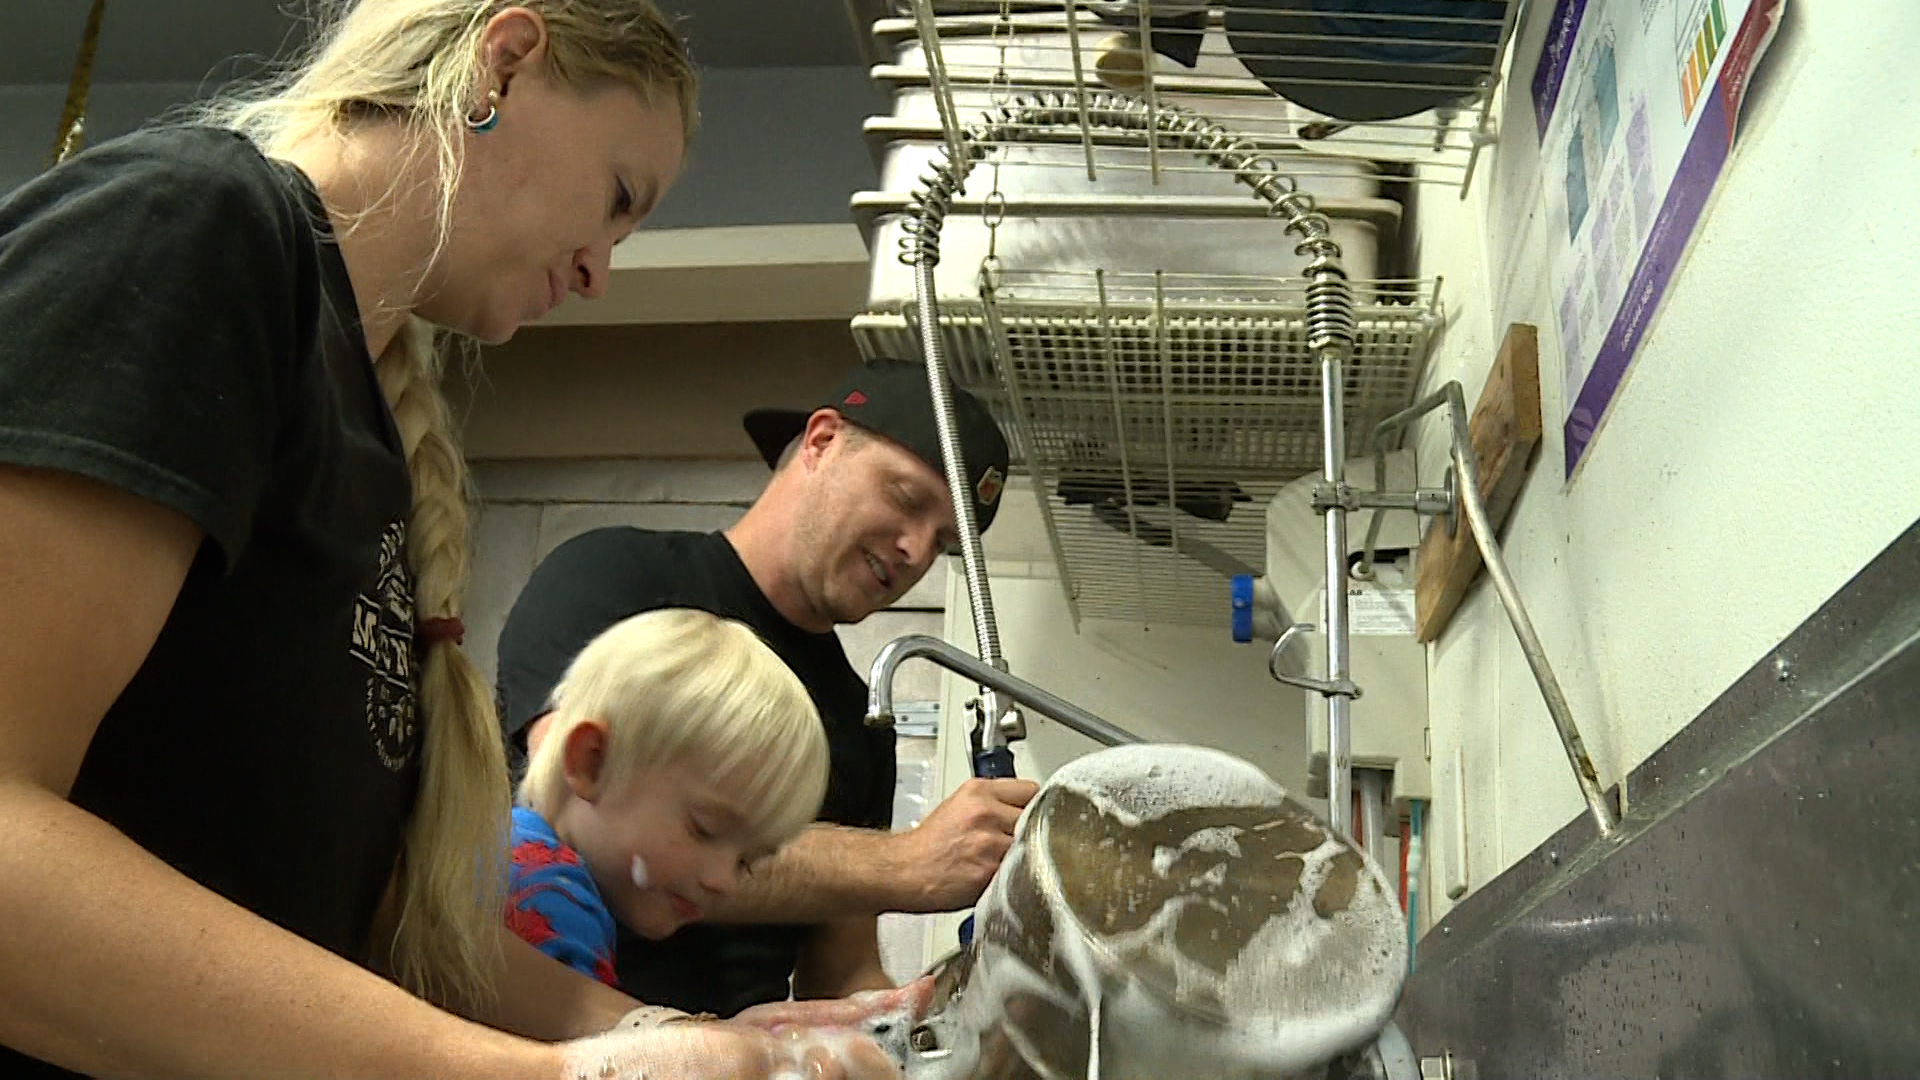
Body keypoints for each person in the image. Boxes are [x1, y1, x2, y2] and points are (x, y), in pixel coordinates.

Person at [0, 1, 910, 1077]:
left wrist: (643, 1035)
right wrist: (545, 1076)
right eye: (618, 199)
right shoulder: (204, 227)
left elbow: (353, 908)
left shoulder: (373, 446)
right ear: (507, 63)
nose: (600, 274)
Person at [495, 357, 1044, 1019]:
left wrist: (921, 1022)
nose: (916, 551)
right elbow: (575, 808)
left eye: (944, 542)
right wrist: (907, 863)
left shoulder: (857, 716)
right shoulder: (613, 578)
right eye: (905, 499)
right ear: (820, 441)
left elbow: (841, 968)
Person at [506, 609, 829, 989]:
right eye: (704, 829)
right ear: (592, 762)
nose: (724, 882)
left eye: (747, 863)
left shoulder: (508, 849)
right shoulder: (549, 902)